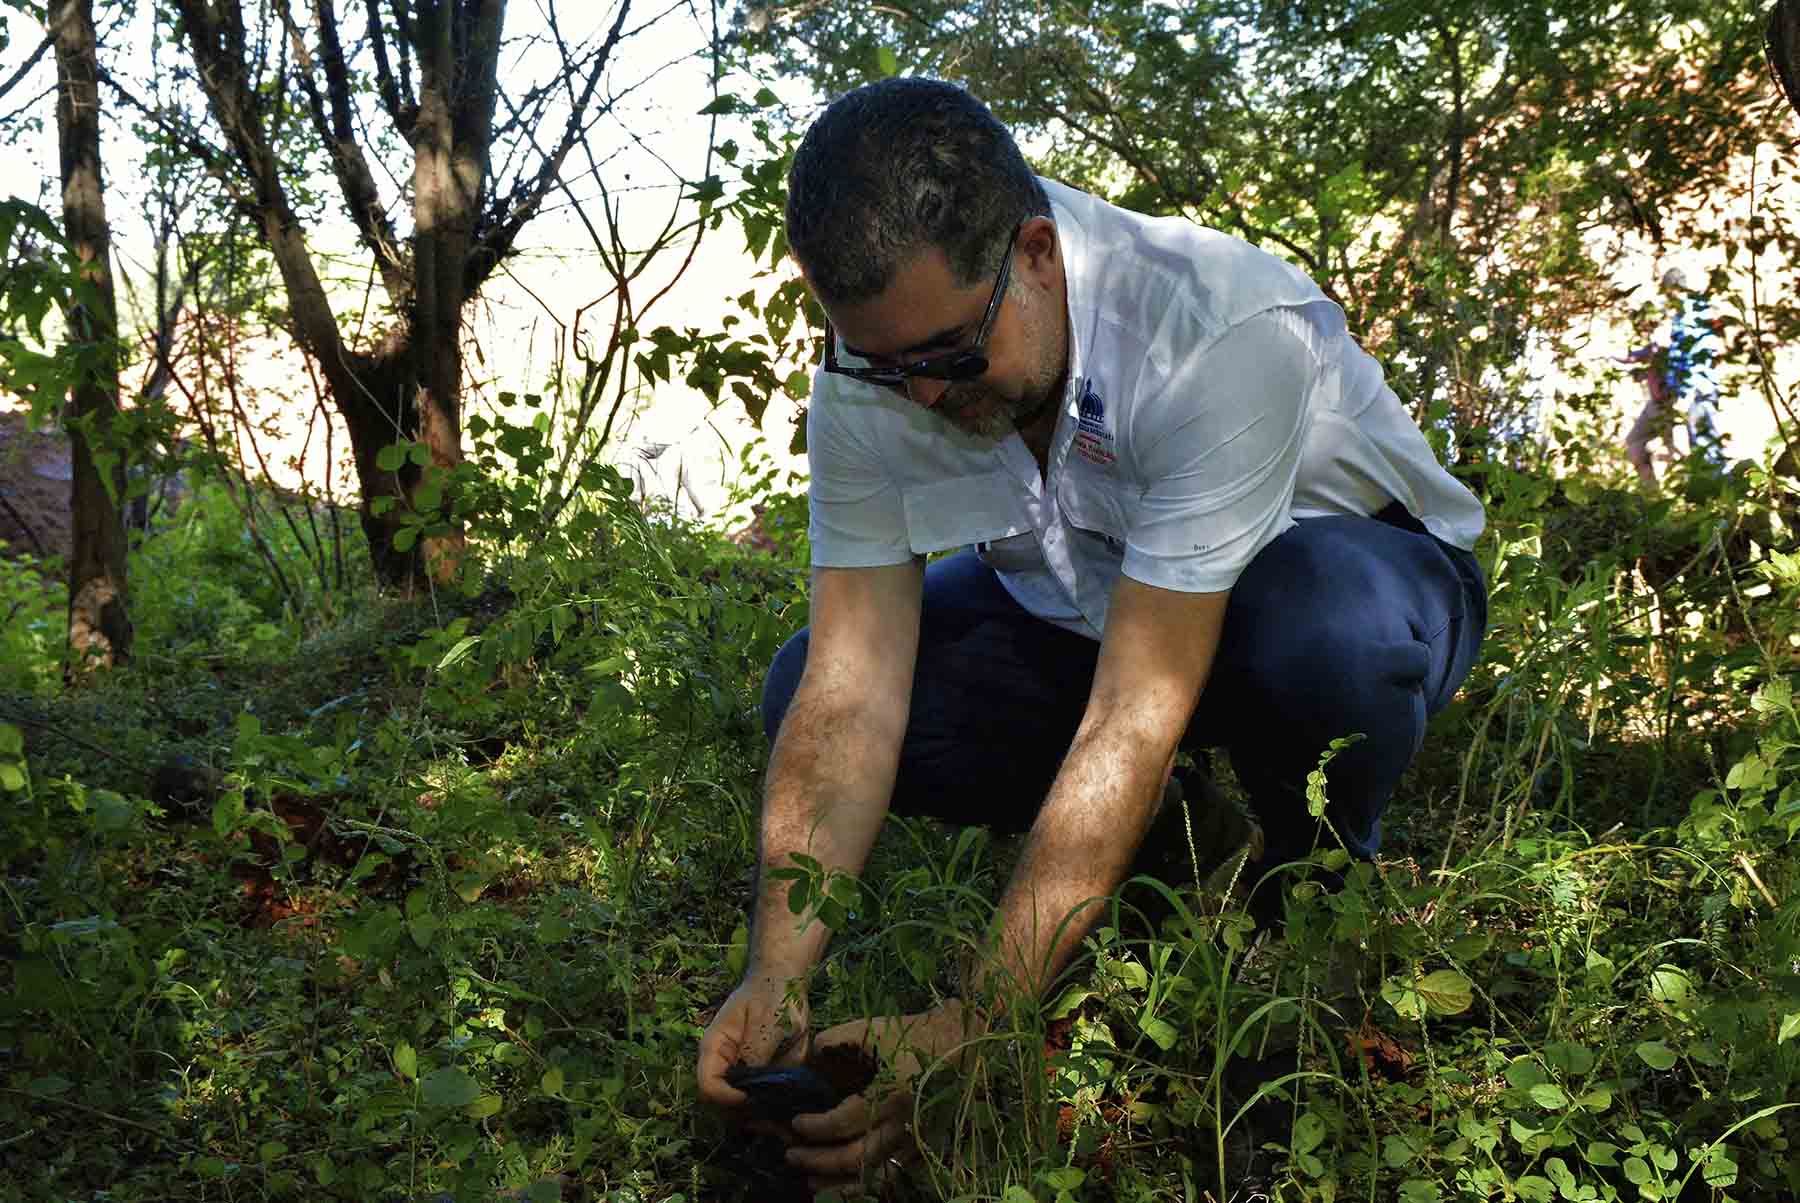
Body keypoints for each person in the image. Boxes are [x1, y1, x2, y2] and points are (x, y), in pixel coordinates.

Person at [694, 77, 1489, 1190]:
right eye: (884, 365)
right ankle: (1171, 847)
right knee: (799, 687)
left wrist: (979, 1017)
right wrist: (773, 975)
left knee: (1324, 633)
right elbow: (850, 682)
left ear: (1035, 254)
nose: (917, 398)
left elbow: (1134, 714)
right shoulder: (878, 366)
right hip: (1098, 613)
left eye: (949, 359)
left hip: (1349, 581)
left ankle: (1309, 908)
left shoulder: (1212, 325)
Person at [1620, 267, 1725, 485]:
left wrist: (1686, 394)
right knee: (1643, 443)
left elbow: (1697, 355)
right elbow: (1671, 351)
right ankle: (1659, 497)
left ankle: (1724, 502)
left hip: (1696, 391)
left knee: (1707, 447)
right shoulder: (1680, 314)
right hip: (1675, 392)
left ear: (1673, 289)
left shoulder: (1692, 310)